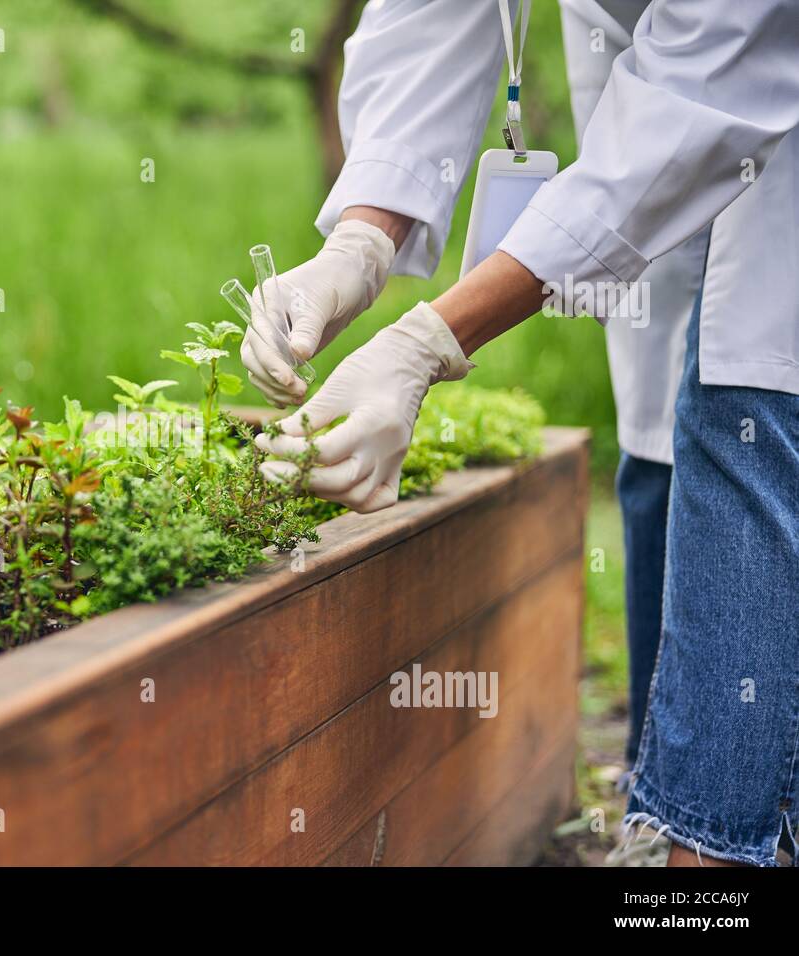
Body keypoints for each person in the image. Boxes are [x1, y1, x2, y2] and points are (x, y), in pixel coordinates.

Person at [242, 0, 799, 867]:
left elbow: (710, 83)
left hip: (754, 90)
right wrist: (357, 248)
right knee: (659, 439)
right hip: (669, 94)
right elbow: (434, 15)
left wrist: (431, 341)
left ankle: (707, 864)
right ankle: (665, 826)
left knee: (748, 409)